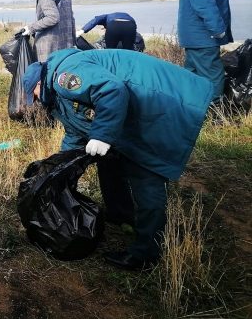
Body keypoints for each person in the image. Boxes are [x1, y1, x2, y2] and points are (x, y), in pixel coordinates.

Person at [22, 48, 213, 270]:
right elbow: (76, 130)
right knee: (109, 160)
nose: (35, 101)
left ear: (38, 84)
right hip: (140, 108)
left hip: (162, 104)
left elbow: (111, 90)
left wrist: (102, 135)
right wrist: (60, 167)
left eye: (33, 96)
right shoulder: (58, 90)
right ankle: (121, 214)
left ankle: (146, 255)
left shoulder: (64, 76)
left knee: (146, 175)